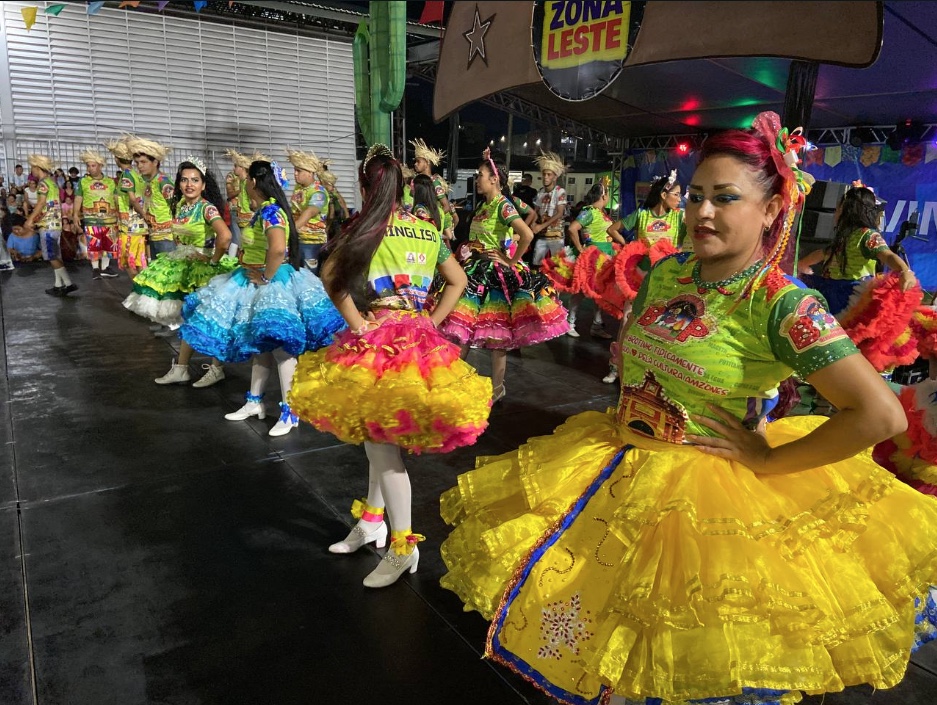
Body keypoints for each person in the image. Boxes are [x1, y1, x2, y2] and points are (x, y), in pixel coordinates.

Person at [438, 111, 937, 705]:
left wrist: (768, 460)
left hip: (707, 505)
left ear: (772, 209)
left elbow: (880, 416)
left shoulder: (782, 306)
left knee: (673, 663)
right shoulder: (670, 271)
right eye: (696, 195)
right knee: (602, 650)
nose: (702, 212)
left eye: (725, 198)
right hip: (616, 467)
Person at [290, 144, 491, 587]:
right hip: (420, 342)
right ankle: (373, 522)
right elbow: (457, 281)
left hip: (378, 344)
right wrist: (431, 321)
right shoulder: (424, 228)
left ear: (366, 185)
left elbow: (330, 276)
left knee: (383, 446)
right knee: (376, 437)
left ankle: (404, 547)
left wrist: (359, 323)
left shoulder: (364, 227)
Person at [181, 160, 344, 436]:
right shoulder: (265, 211)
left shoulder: (271, 212)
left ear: (254, 183)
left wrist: (266, 278)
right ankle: (255, 401)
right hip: (256, 279)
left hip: (273, 283)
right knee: (261, 347)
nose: (243, 183)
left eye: (246, 179)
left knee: (281, 350)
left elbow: (278, 249)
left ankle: (291, 411)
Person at [435, 150, 569, 402]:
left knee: (497, 335)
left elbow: (526, 235)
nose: (477, 180)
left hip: (494, 276)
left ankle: (497, 388)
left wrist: (510, 260)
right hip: (474, 271)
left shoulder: (503, 205)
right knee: (463, 329)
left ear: (494, 179)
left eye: (481, 176)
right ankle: (453, 379)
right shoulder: (484, 205)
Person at [124, 157, 236, 346]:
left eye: (195, 180)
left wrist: (212, 261)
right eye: (184, 180)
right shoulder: (181, 206)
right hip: (180, 262)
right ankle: (183, 361)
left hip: (201, 266)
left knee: (206, 321)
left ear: (203, 185)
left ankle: (210, 364)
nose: (189, 184)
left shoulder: (207, 208)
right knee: (185, 314)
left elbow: (225, 237)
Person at [542, 178, 626, 340]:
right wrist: (580, 248)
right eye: (607, 194)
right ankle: (570, 323)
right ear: (603, 196)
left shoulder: (602, 213)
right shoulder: (589, 212)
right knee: (580, 291)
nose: (608, 197)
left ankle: (597, 324)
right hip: (593, 257)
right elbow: (573, 228)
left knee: (600, 293)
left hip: (606, 256)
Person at [22, 154, 77, 297]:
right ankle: (58, 285)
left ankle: (68, 283)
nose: (31, 170)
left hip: (48, 225)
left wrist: (30, 219)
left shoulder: (43, 184)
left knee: (52, 256)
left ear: (37, 167)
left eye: (32, 167)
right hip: (55, 223)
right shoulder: (52, 183)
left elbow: (41, 203)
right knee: (55, 255)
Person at [608, 170, 687, 247]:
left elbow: (685, 241)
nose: (679, 199)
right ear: (664, 195)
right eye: (676, 194)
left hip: (669, 260)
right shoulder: (641, 214)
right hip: (645, 260)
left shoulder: (679, 216)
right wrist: (629, 248)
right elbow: (612, 230)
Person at [73, 148, 120, 279]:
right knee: (93, 244)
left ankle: (105, 267)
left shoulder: (110, 182)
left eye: (93, 165)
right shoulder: (83, 182)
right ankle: (95, 269)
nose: (90, 168)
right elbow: (78, 198)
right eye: (88, 166)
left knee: (109, 244)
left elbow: (116, 199)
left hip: (110, 220)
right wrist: (75, 214)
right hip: (91, 220)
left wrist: (121, 214)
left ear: (100, 166)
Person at [107, 135, 150, 278]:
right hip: (138, 226)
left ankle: (140, 292)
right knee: (139, 261)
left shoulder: (127, 176)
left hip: (130, 227)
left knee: (129, 262)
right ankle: (144, 292)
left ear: (117, 159)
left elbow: (132, 199)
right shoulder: (136, 174)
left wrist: (144, 214)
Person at [129, 137, 175, 260]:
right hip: (154, 235)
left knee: (167, 273)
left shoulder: (163, 182)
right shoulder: (148, 182)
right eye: (137, 163)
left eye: (143, 162)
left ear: (155, 162)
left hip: (166, 237)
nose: (139, 166)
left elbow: (176, 206)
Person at [286, 148, 329, 273]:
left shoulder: (318, 191)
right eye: (294, 170)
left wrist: (290, 230)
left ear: (310, 172)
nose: (295, 173)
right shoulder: (298, 188)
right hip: (297, 239)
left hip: (311, 242)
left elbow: (310, 212)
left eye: (298, 171)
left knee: (309, 277)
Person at [530, 151, 568, 286]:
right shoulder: (540, 192)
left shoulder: (560, 192)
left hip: (556, 236)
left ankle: (555, 293)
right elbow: (535, 211)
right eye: (544, 174)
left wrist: (540, 225)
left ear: (555, 177)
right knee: (536, 264)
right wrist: (532, 224)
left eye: (549, 175)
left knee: (557, 266)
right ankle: (538, 289)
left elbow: (559, 213)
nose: (545, 177)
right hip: (542, 235)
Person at [411, 138, 459, 232]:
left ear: (427, 162)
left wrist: (432, 218)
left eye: (418, 161)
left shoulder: (434, 182)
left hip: (431, 228)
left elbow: (446, 206)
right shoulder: (415, 181)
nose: (415, 164)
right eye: (415, 161)